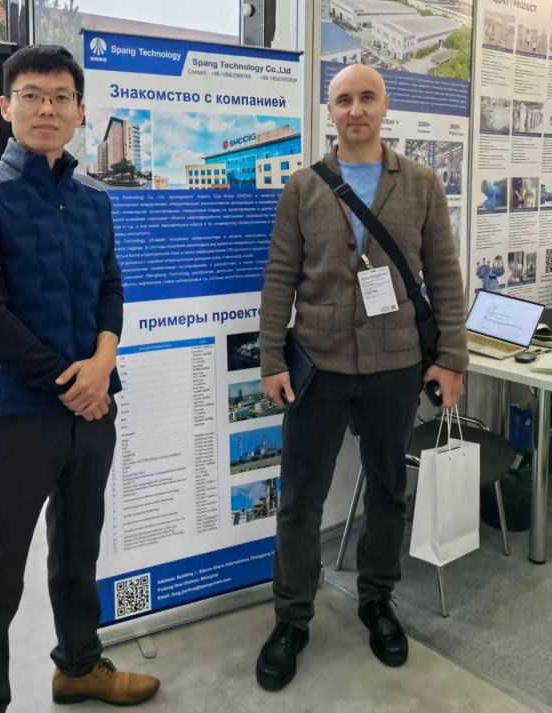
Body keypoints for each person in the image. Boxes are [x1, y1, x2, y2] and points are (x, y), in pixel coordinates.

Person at [0, 44, 160, 711]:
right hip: (15, 413)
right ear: (5, 106)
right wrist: (75, 383)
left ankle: (78, 666)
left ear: (79, 112)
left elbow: (109, 289)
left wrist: (103, 362)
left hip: (92, 412)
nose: (47, 108)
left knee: (78, 552)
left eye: (61, 97)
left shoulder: (94, 198)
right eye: (32, 96)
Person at [255, 64, 467, 691]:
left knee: (387, 492)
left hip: (395, 366)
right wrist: (271, 359)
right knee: (300, 500)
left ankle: (377, 602)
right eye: (344, 99)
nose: (355, 110)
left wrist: (451, 357)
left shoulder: (421, 183)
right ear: (330, 110)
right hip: (317, 368)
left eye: (366, 98)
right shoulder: (303, 187)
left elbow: (444, 276)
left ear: (384, 106)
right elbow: (279, 277)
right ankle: (292, 618)